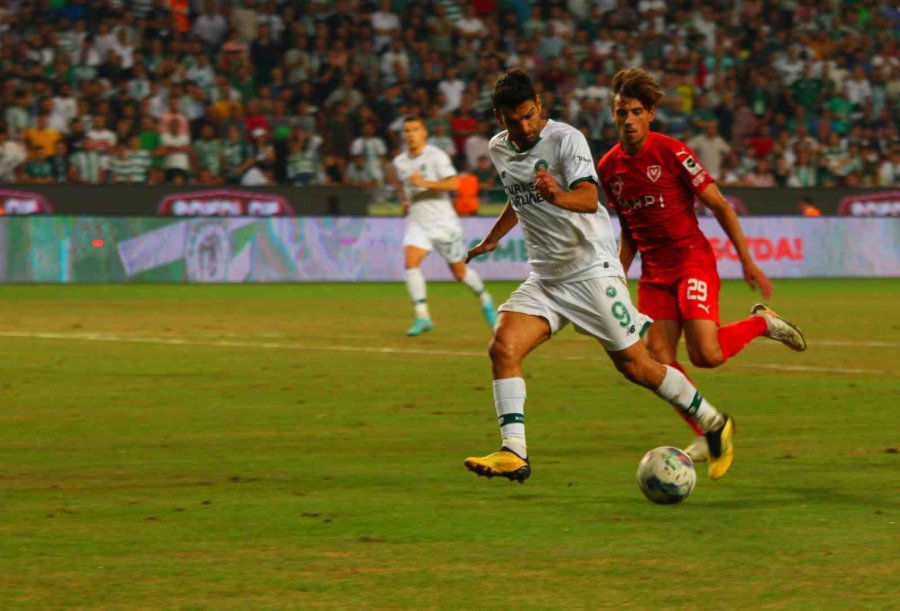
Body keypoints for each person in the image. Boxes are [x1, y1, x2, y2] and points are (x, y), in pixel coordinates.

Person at [463, 69, 734, 484]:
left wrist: (558, 194)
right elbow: (517, 198)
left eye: (529, 115)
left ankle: (713, 422)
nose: (524, 126)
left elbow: (589, 199)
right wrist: (493, 237)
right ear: (499, 119)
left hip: (589, 270)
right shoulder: (499, 148)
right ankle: (513, 452)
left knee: (637, 366)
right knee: (502, 347)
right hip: (546, 278)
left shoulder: (565, 139)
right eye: (513, 120)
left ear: (539, 106)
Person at [595, 67, 807, 462]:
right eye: (620, 112)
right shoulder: (608, 168)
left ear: (650, 114)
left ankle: (762, 322)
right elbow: (629, 230)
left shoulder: (672, 152)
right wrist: (615, 276)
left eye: (635, 111)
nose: (628, 120)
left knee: (705, 355)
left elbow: (720, 205)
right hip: (654, 276)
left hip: (691, 260)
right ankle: (711, 430)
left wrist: (747, 261)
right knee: (657, 359)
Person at [391, 115, 497, 337]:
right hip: (418, 221)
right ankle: (422, 316)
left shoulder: (436, 156)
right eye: (407, 130)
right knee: (410, 262)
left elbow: (453, 183)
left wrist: (424, 183)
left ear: (424, 133)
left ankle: (485, 299)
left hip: (443, 223)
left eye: (414, 129)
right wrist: (405, 200)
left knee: (459, 272)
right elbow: (405, 189)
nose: (410, 134)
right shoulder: (399, 162)